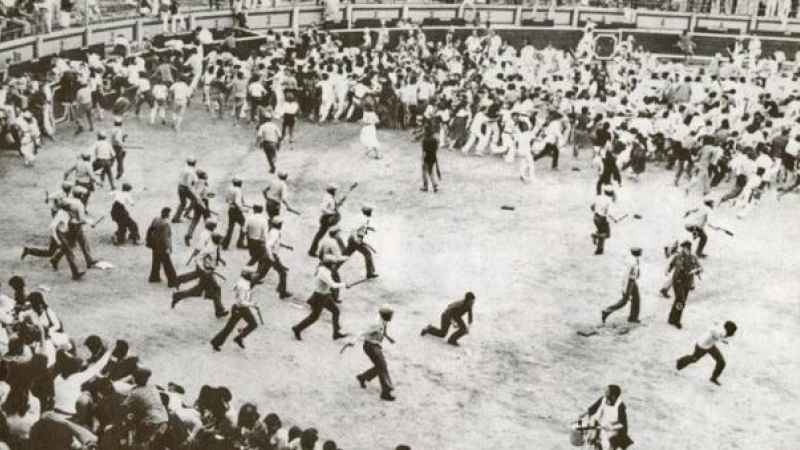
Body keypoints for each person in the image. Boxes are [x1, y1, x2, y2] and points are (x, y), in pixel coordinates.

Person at [291, 257, 349, 341]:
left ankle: (336, 333)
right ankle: (297, 328)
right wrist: (344, 285)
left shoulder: (323, 269)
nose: (335, 266)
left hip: (325, 296)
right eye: (333, 264)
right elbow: (333, 285)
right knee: (314, 317)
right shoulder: (324, 274)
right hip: (319, 298)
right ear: (329, 265)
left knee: (336, 311)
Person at [22, 203, 85, 280]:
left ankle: (30, 251)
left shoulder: (68, 213)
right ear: (65, 208)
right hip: (58, 235)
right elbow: (52, 227)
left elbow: (73, 221)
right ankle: (75, 274)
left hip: (63, 235)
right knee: (69, 252)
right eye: (69, 207)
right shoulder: (60, 214)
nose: (71, 208)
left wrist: (83, 223)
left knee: (50, 253)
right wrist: (57, 239)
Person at [172, 232, 229, 318]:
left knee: (197, 291)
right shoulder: (209, 248)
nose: (222, 240)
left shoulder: (215, 246)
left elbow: (214, 256)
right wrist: (204, 270)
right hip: (207, 272)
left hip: (209, 271)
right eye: (221, 239)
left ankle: (177, 296)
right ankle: (219, 310)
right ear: (216, 239)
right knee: (216, 288)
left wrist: (220, 260)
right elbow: (198, 258)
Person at [347, 306, 396, 402]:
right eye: (390, 315)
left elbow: (383, 330)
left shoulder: (382, 320)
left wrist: (388, 337)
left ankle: (363, 377)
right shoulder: (376, 324)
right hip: (371, 347)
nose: (392, 317)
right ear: (385, 316)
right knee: (382, 366)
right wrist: (353, 341)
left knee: (380, 366)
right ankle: (385, 392)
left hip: (374, 346)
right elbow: (363, 332)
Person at [211, 267, 259, 351]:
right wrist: (253, 304)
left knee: (251, 324)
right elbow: (241, 302)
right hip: (240, 309)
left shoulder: (243, 282)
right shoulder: (244, 286)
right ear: (247, 276)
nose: (254, 276)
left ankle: (238, 338)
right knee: (231, 328)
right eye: (252, 275)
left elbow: (235, 287)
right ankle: (217, 342)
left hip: (240, 308)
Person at [676, 321, 737, 386]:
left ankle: (713, 378)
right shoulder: (721, 332)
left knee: (721, 362)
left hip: (710, 346)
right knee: (694, 359)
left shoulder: (721, 327)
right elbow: (713, 332)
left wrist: (721, 338)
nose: (732, 334)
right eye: (732, 332)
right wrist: (721, 338)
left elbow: (714, 325)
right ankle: (679, 362)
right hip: (702, 346)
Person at [123, 367, 169, 447]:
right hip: (164, 419)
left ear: (135, 379)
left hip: (152, 422)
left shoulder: (135, 393)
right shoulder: (152, 386)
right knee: (149, 444)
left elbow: (124, 405)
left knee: (139, 443)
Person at [579, 385, 634, 450]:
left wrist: (611, 427)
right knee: (595, 443)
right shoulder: (603, 399)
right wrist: (585, 413)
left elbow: (622, 424)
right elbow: (593, 408)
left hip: (613, 432)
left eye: (607, 392)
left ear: (613, 396)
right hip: (602, 427)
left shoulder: (620, 406)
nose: (605, 393)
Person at [667, 240, 703, 329]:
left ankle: (671, 318)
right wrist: (668, 270)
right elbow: (671, 264)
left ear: (689, 248)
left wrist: (695, 270)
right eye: (683, 248)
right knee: (681, 300)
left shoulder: (693, 257)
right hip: (677, 281)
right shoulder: (678, 256)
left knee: (679, 300)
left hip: (687, 282)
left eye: (686, 248)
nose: (684, 250)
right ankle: (677, 320)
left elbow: (701, 268)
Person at [255, 216, 292, 299]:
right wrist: (271, 257)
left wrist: (286, 246)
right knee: (283, 273)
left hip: (269, 255)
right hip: (272, 256)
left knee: (262, 273)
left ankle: (249, 282)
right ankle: (282, 292)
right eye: (280, 223)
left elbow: (276, 242)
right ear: (279, 224)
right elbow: (269, 245)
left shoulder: (273, 231)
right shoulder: (275, 233)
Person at [601, 247, 642, 325]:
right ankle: (606, 311)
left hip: (633, 281)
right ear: (636, 253)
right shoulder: (631, 262)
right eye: (640, 251)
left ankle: (633, 318)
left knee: (636, 299)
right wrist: (624, 287)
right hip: (629, 282)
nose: (641, 253)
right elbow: (625, 275)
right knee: (624, 301)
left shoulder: (634, 259)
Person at [344, 205, 378, 279]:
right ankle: (369, 273)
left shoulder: (365, 218)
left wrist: (369, 228)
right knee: (368, 254)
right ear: (367, 212)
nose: (371, 212)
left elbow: (362, 227)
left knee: (346, 255)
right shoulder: (363, 220)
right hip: (355, 240)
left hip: (355, 240)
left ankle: (332, 265)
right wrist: (356, 239)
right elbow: (354, 230)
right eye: (370, 211)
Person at [146, 207, 177, 287]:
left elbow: (150, 230)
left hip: (154, 244)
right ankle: (172, 281)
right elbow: (165, 238)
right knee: (167, 264)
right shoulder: (165, 224)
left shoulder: (156, 219)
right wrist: (169, 248)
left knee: (156, 261)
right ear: (167, 214)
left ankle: (154, 277)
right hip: (162, 246)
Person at [308, 183, 339, 257]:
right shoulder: (328, 198)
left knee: (329, 233)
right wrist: (332, 212)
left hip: (329, 218)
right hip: (327, 219)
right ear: (331, 190)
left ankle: (313, 250)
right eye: (334, 190)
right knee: (321, 235)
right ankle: (312, 251)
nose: (335, 191)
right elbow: (322, 208)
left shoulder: (330, 196)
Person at [591, 185, 621, 255]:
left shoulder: (598, 197)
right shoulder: (609, 201)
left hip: (595, 217)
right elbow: (610, 213)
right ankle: (595, 235)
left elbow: (592, 207)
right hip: (602, 219)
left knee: (601, 232)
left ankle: (599, 250)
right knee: (607, 235)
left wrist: (597, 210)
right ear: (611, 193)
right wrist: (615, 219)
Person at [221, 177, 247, 250]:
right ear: (239, 183)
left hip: (231, 209)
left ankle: (225, 244)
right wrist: (243, 209)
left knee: (230, 227)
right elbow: (238, 201)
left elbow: (226, 199)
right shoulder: (238, 190)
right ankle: (240, 243)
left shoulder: (230, 189)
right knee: (244, 224)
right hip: (237, 210)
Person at [172, 156, 198, 223]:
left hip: (180, 187)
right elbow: (189, 183)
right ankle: (186, 213)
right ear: (195, 163)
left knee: (183, 203)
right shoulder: (192, 171)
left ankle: (176, 218)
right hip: (186, 188)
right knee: (195, 200)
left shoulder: (183, 169)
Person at [421, 126, 439, 192]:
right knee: (431, 171)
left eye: (424, 130)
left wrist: (422, 159)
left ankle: (425, 186)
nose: (423, 131)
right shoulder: (435, 139)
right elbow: (436, 149)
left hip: (427, 158)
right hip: (433, 157)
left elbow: (424, 151)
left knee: (424, 171)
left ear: (426, 132)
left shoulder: (425, 140)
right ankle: (434, 184)